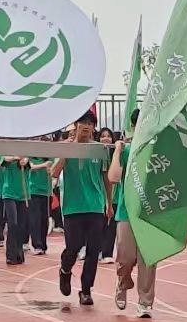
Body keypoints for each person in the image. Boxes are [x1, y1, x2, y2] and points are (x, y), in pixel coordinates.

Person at [51, 111, 112, 306]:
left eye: (90, 123)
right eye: (82, 122)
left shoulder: (99, 150)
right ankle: (65, 270)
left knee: (94, 250)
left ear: (94, 127)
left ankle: (86, 290)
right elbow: (54, 172)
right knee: (74, 246)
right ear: (76, 125)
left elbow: (106, 177)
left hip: (95, 205)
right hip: (73, 207)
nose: (86, 126)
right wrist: (66, 152)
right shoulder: (67, 147)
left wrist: (109, 203)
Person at [109, 110, 157, 317]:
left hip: (151, 213)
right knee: (126, 257)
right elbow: (113, 177)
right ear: (134, 126)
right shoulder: (126, 150)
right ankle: (122, 283)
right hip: (127, 211)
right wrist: (118, 151)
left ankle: (145, 302)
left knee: (148, 259)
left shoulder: (158, 151)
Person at [1, 153, 30, 265]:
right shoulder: (8, 154)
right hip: (9, 194)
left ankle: (19, 253)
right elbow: (3, 160)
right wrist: (15, 157)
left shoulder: (26, 155)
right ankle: (10, 255)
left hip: (23, 194)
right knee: (13, 223)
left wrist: (25, 159)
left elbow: (29, 163)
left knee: (21, 225)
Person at [27, 149, 53, 256]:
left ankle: (43, 244)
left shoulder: (50, 159)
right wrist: (44, 165)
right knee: (35, 219)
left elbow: (54, 170)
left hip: (47, 192)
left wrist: (50, 170)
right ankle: (37, 245)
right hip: (34, 191)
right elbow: (31, 167)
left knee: (44, 220)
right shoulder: (31, 158)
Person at [97, 127, 118, 263]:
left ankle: (107, 253)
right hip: (99, 195)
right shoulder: (95, 154)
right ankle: (96, 250)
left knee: (111, 225)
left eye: (108, 136)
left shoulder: (117, 154)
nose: (106, 138)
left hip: (114, 195)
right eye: (103, 136)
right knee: (99, 225)